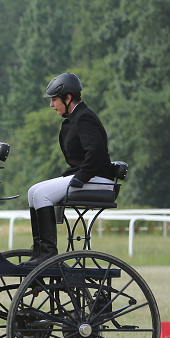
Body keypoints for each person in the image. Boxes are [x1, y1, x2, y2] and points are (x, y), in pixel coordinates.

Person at [21, 72, 115, 267]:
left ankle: (48, 254)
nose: (51, 104)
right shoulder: (74, 119)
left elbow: (96, 152)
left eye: (54, 100)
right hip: (88, 177)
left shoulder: (84, 117)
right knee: (32, 192)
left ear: (68, 98)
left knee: (42, 196)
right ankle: (39, 252)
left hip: (97, 179)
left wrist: (80, 176)